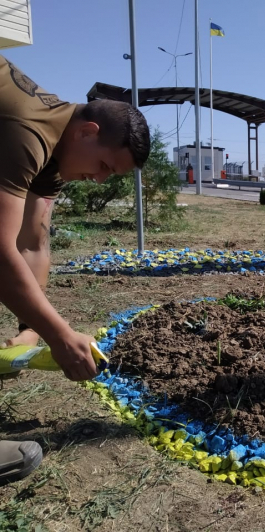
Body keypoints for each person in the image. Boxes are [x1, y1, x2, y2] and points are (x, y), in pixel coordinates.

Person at [0, 55, 150, 485]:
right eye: (104, 166)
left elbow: (32, 241)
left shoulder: (56, 151)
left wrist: (31, 325)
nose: (100, 181)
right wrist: (59, 334)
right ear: (89, 132)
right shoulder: (29, 133)